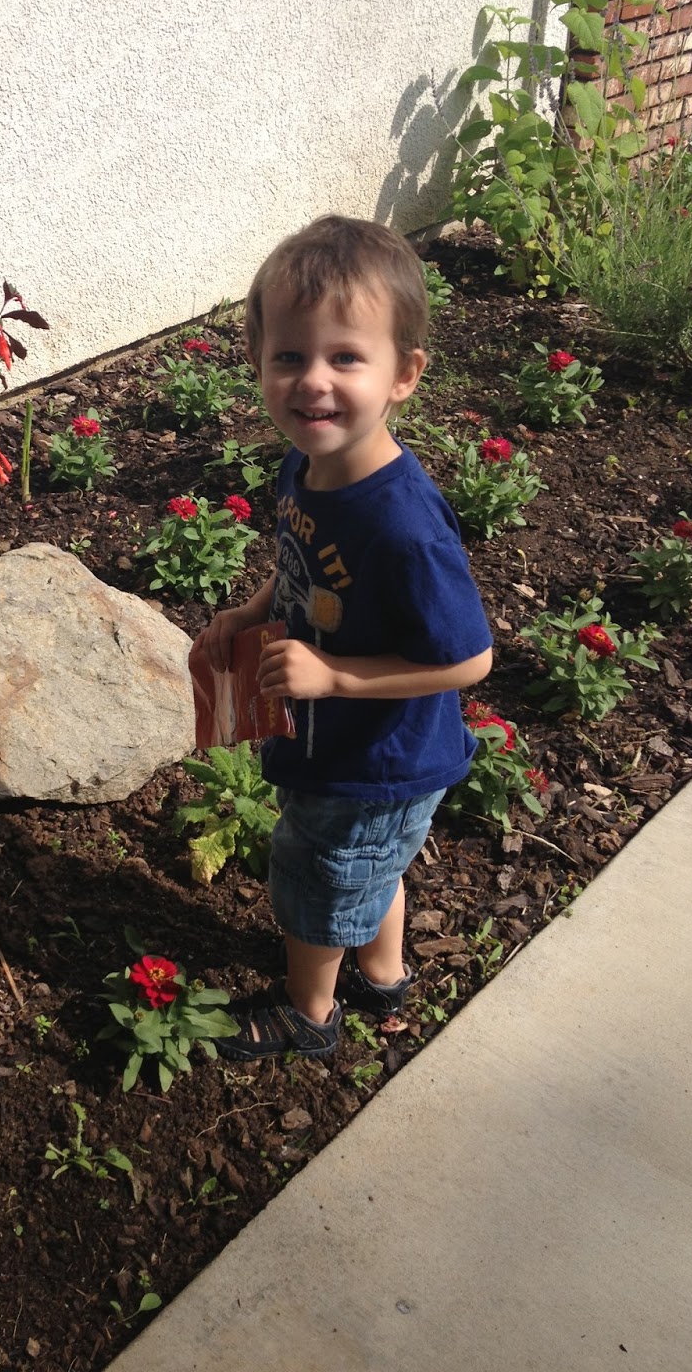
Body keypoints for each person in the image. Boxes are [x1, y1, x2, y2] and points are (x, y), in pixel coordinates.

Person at [192, 216, 493, 1059]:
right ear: (257, 361)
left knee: (319, 877)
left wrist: (336, 679)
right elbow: (300, 565)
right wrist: (253, 611)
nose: (313, 382)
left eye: (346, 357)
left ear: (405, 375)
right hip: (342, 744)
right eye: (290, 355)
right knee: (370, 866)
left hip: (375, 758)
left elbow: (469, 659)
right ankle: (383, 974)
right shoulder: (309, 464)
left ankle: (310, 1014)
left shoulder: (402, 526)